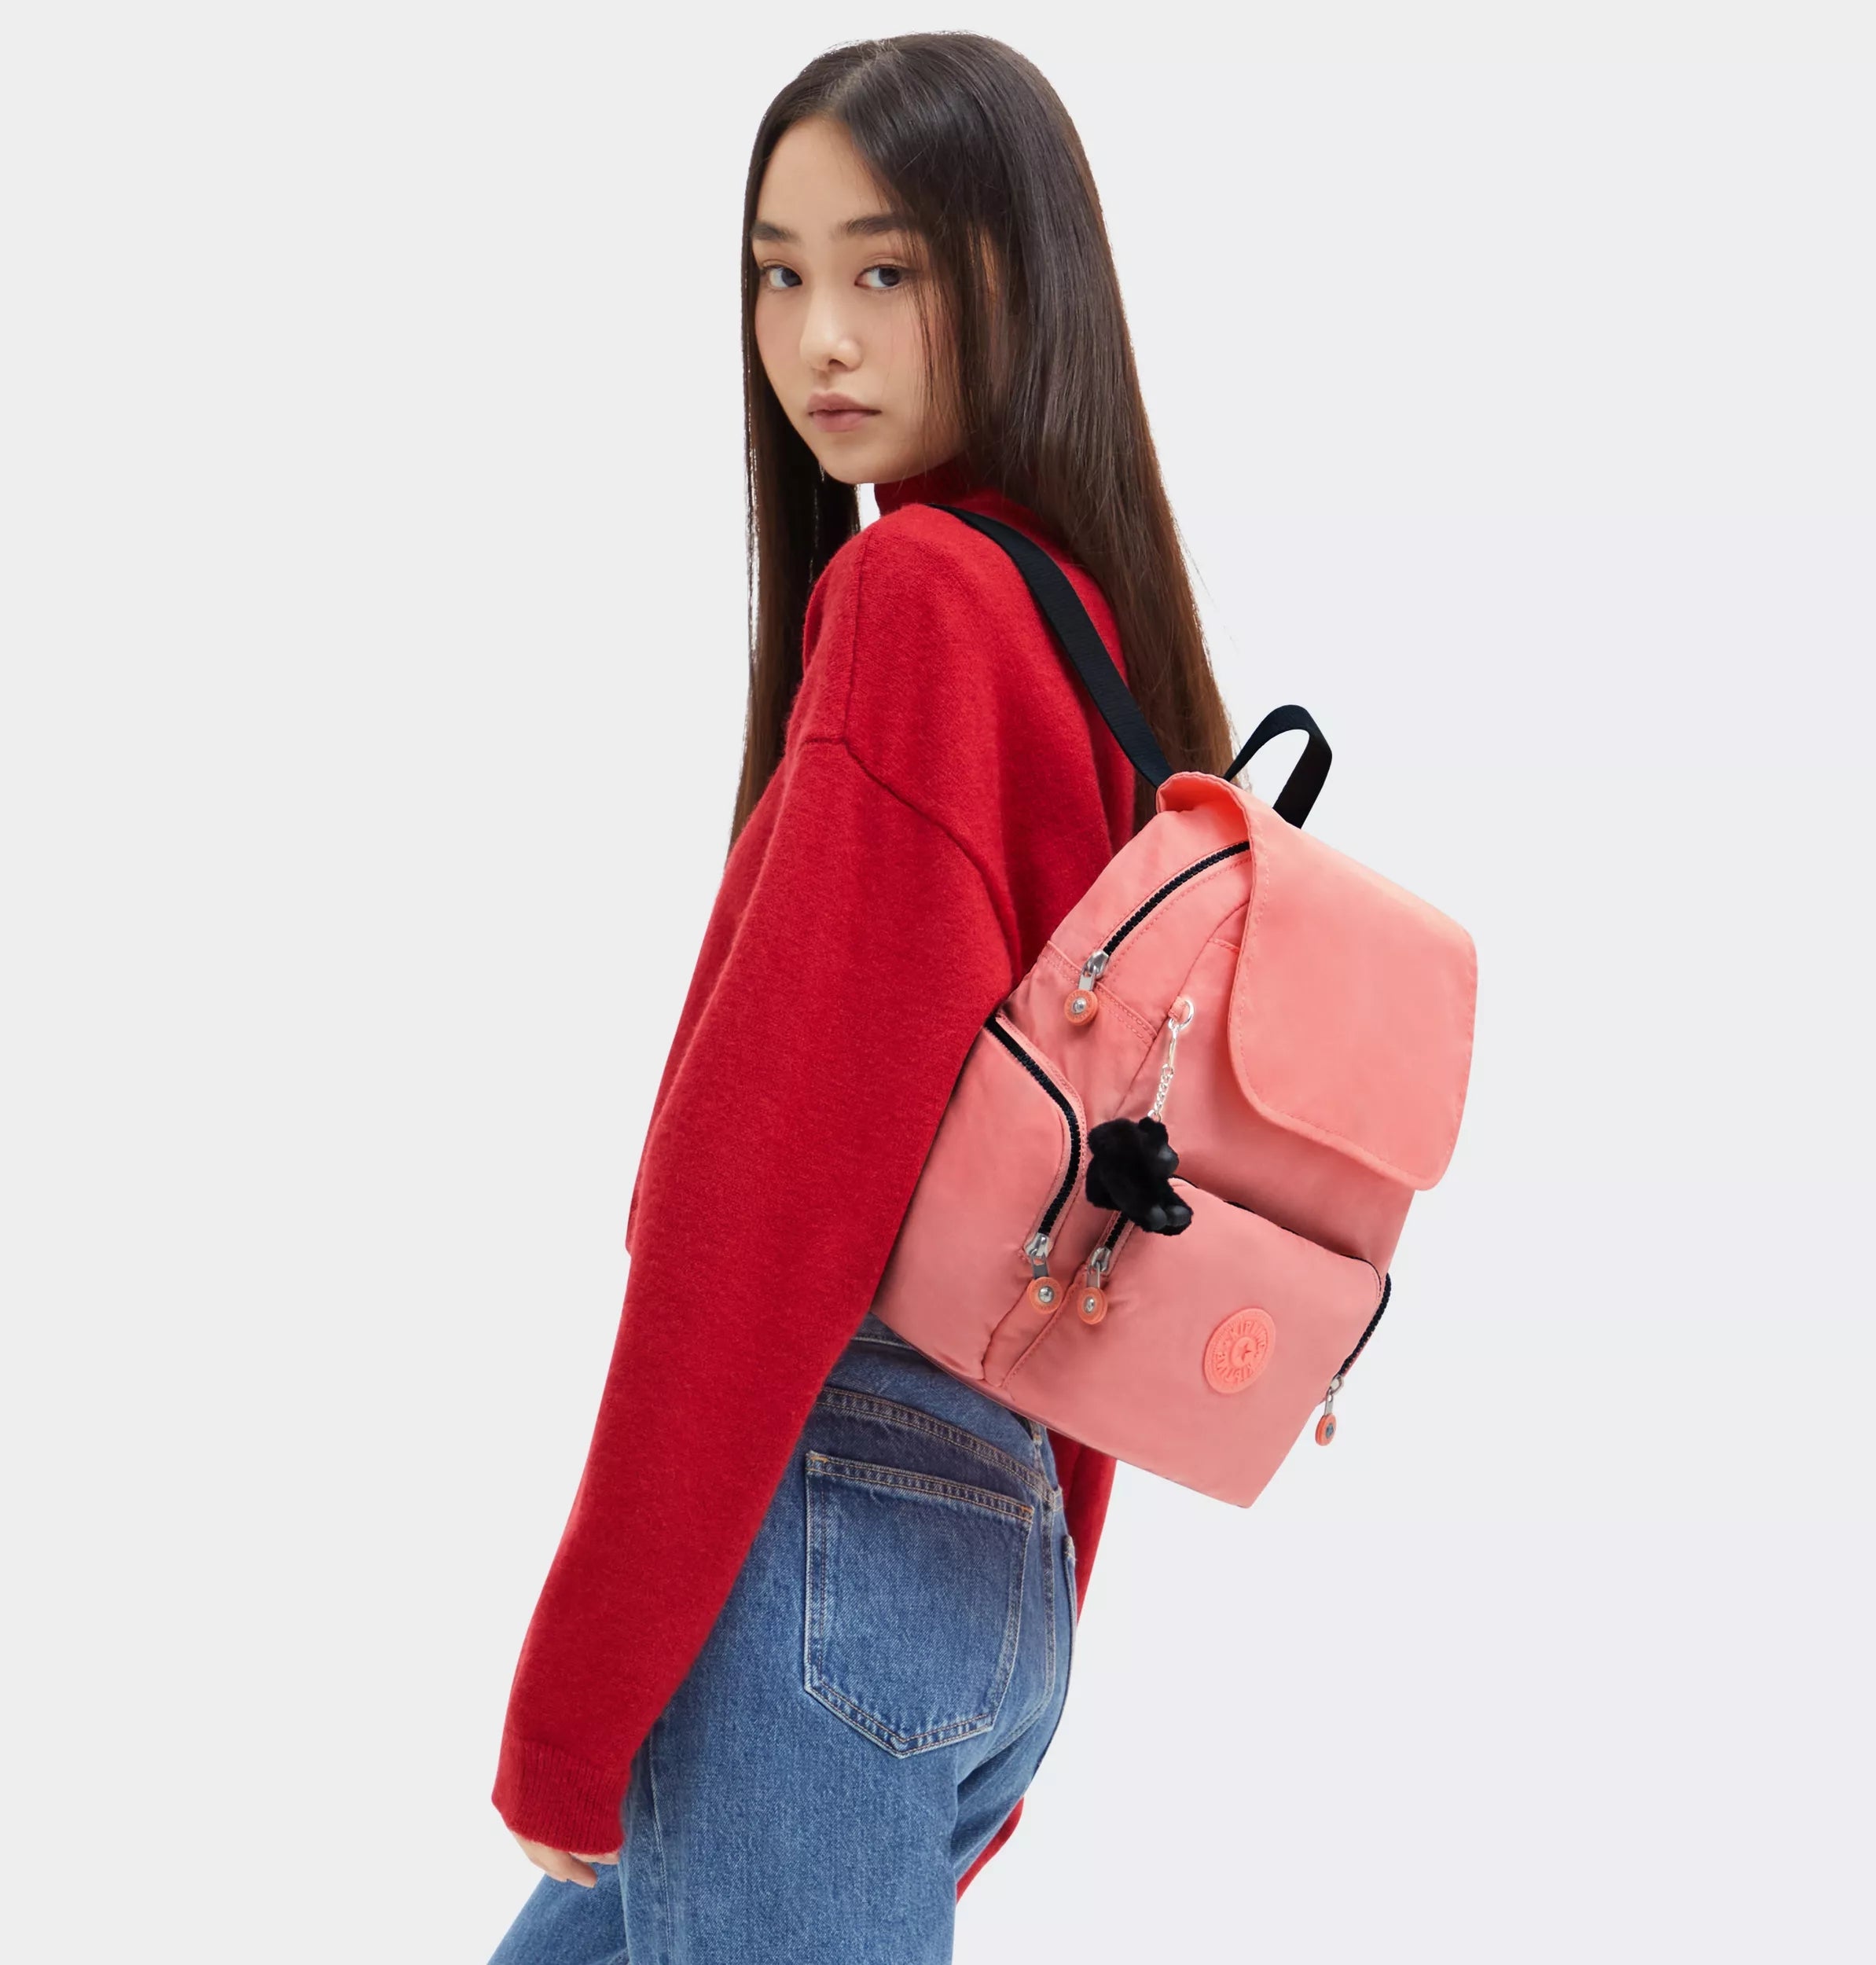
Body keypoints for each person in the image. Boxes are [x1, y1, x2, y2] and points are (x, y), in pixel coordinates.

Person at [486, 31, 1241, 1963]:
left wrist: (575, 1699)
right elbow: (1085, 1236)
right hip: (967, 1553)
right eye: (777, 272)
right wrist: (1020, 1578)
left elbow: (766, 1201)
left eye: (883, 269)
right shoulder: (1087, 634)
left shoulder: (918, 602)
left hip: (821, 1529)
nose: (816, 336)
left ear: (1016, 274)